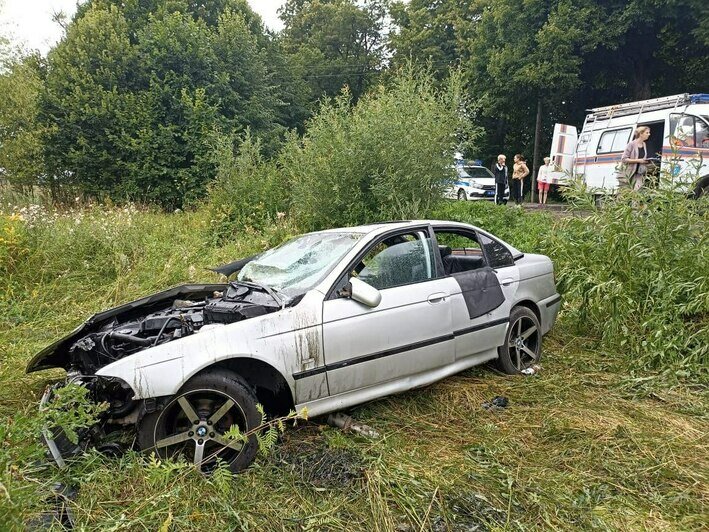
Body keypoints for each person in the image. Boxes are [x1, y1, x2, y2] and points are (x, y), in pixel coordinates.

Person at [620, 126, 651, 191]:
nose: (649, 134)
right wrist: (639, 161)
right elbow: (624, 159)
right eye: (647, 133)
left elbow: (642, 158)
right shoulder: (631, 144)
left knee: (637, 194)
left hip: (639, 173)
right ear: (641, 134)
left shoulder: (644, 144)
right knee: (624, 194)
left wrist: (645, 161)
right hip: (628, 174)